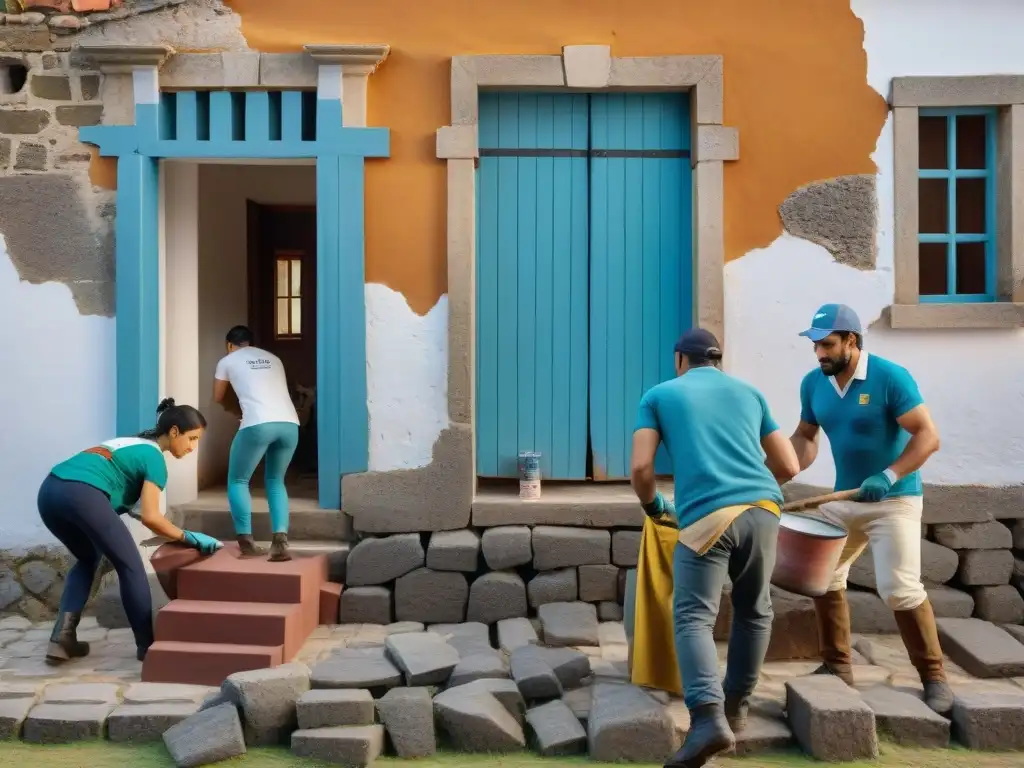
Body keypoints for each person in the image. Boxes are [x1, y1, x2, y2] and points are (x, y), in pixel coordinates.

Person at [631, 328, 800, 768]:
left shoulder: (660, 395)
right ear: (718, 360)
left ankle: (706, 720)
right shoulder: (750, 393)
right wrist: (749, 489)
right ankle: (735, 708)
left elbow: (641, 464)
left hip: (707, 517)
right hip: (763, 509)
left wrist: (653, 505)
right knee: (754, 610)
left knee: (692, 617)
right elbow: (789, 464)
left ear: (679, 360)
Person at [789, 303, 953, 715]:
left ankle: (934, 677)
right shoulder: (813, 384)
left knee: (899, 589)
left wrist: (890, 474)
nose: (819, 354)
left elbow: (928, 437)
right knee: (822, 577)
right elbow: (805, 439)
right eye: (815, 346)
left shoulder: (889, 377)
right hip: (843, 500)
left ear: (851, 341)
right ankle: (837, 666)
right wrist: (778, 473)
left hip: (892, 501)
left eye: (827, 345)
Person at [38, 398, 222, 665]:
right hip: (83, 494)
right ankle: (147, 648)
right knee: (130, 567)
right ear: (174, 432)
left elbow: (129, 504)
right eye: (192, 439)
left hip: (50, 492)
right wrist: (188, 537)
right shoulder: (155, 458)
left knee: (88, 559)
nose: (193, 447)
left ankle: (62, 638)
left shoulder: (129, 444)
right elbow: (150, 516)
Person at [213, 325, 300, 562]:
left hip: (258, 424)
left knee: (238, 480)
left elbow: (219, 396)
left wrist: (236, 412)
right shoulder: (274, 358)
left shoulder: (227, 360)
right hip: (290, 424)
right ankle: (280, 542)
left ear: (229, 344)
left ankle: (247, 542)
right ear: (250, 343)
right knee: (275, 481)